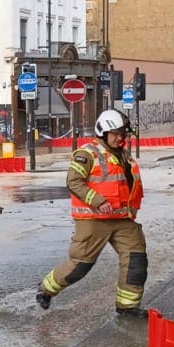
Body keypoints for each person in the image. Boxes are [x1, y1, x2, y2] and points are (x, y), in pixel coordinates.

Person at [36, 108, 147, 318]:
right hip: (93, 219)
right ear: (103, 133)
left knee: (136, 260)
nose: (119, 138)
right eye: (115, 134)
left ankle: (128, 307)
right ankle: (45, 289)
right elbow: (73, 181)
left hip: (122, 218)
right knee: (81, 266)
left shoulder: (123, 155)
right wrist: (97, 201)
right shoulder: (87, 154)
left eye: (122, 134)